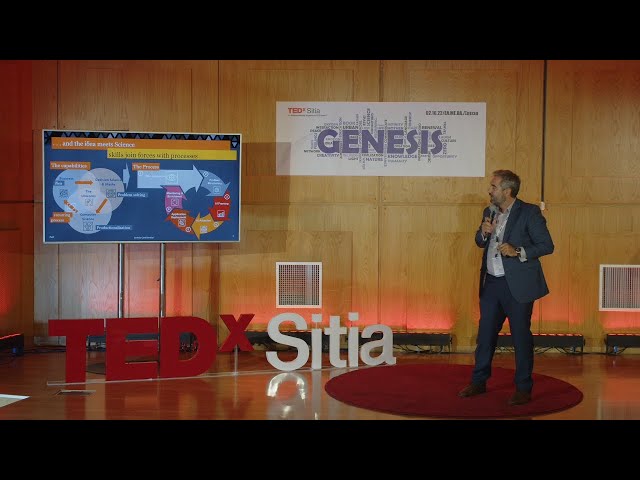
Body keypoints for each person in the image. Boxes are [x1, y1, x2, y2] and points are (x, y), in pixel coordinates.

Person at [458, 169, 554, 406]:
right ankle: (479, 382)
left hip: (517, 286)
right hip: (492, 283)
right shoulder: (489, 212)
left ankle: (523, 388)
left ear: (507, 191)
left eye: (493, 187)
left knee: (520, 337)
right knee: (485, 336)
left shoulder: (529, 212)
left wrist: (518, 251)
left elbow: (546, 245)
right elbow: (479, 242)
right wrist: (483, 233)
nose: (489, 190)